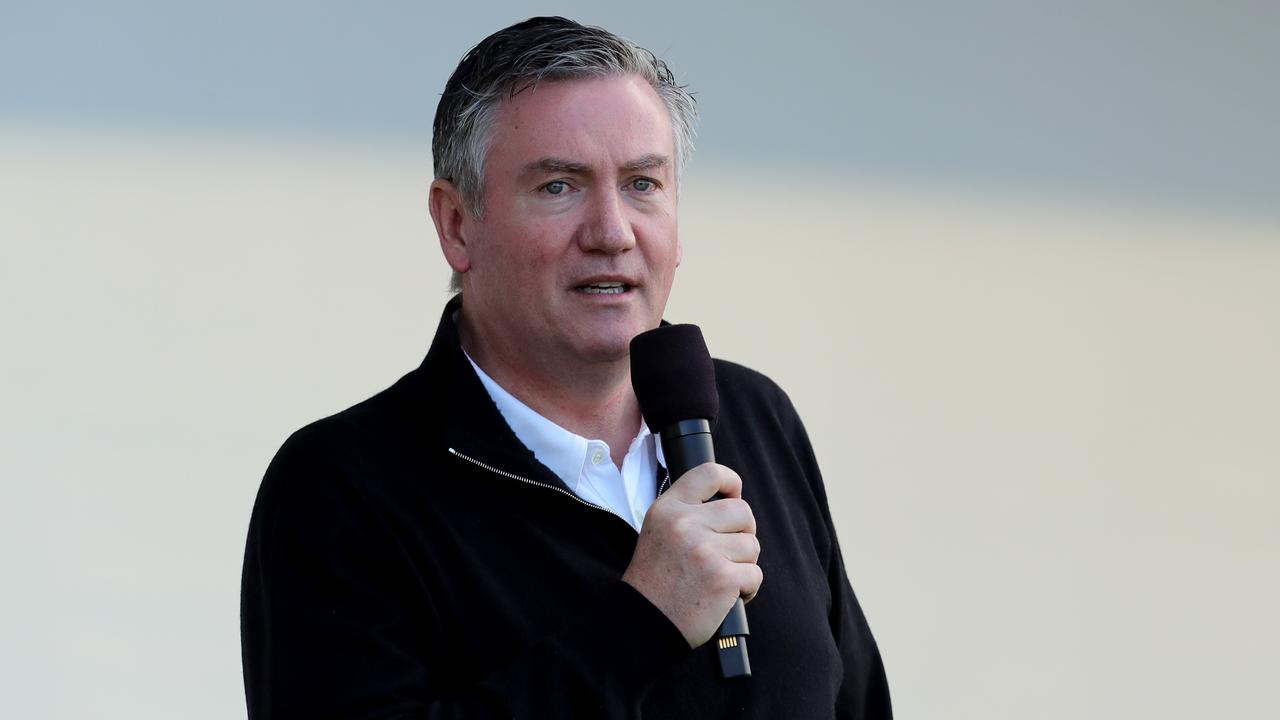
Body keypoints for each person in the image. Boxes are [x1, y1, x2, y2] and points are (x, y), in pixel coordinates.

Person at [241, 16, 891, 719]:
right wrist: (641, 623)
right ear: (457, 225)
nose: (612, 232)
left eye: (643, 183)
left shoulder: (753, 417)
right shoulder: (342, 489)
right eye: (559, 187)